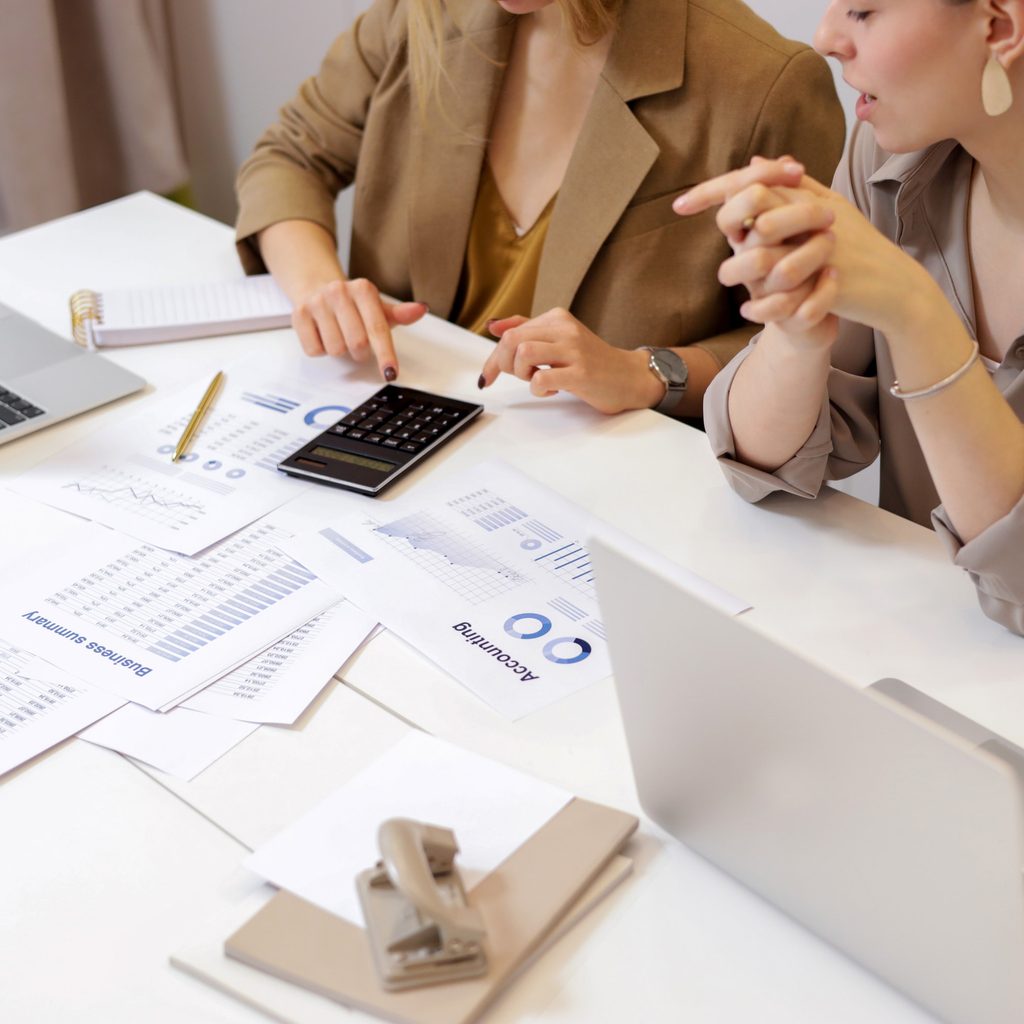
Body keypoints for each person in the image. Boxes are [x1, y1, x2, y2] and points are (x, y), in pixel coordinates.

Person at [235, 0, 845, 419]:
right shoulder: (419, 14)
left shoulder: (764, 83)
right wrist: (322, 289)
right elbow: (289, 158)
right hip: (394, 425)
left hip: (605, 495)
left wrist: (648, 372)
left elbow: (810, 340)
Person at [677, 0, 1024, 633]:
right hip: (922, 655)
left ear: (999, 27)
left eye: (863, 11)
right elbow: (759, 465)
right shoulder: (890, 158)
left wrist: (916, 314)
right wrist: (797, 330)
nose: (825, 38)